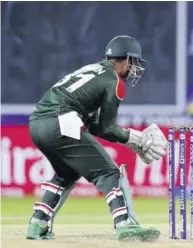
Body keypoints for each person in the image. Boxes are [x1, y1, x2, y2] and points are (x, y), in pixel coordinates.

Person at [25, 35, 168, 242]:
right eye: (134, 62)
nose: (134, 68)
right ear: (126, 59)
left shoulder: (92, 69)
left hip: (37, 124)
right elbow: (107, 127)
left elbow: (97, 126)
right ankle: (124, 223)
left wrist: (130, 139)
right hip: (61, 122)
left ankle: (38, 223)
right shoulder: (114, 80)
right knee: (108, 172)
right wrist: (135, 139)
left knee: (67, 173)